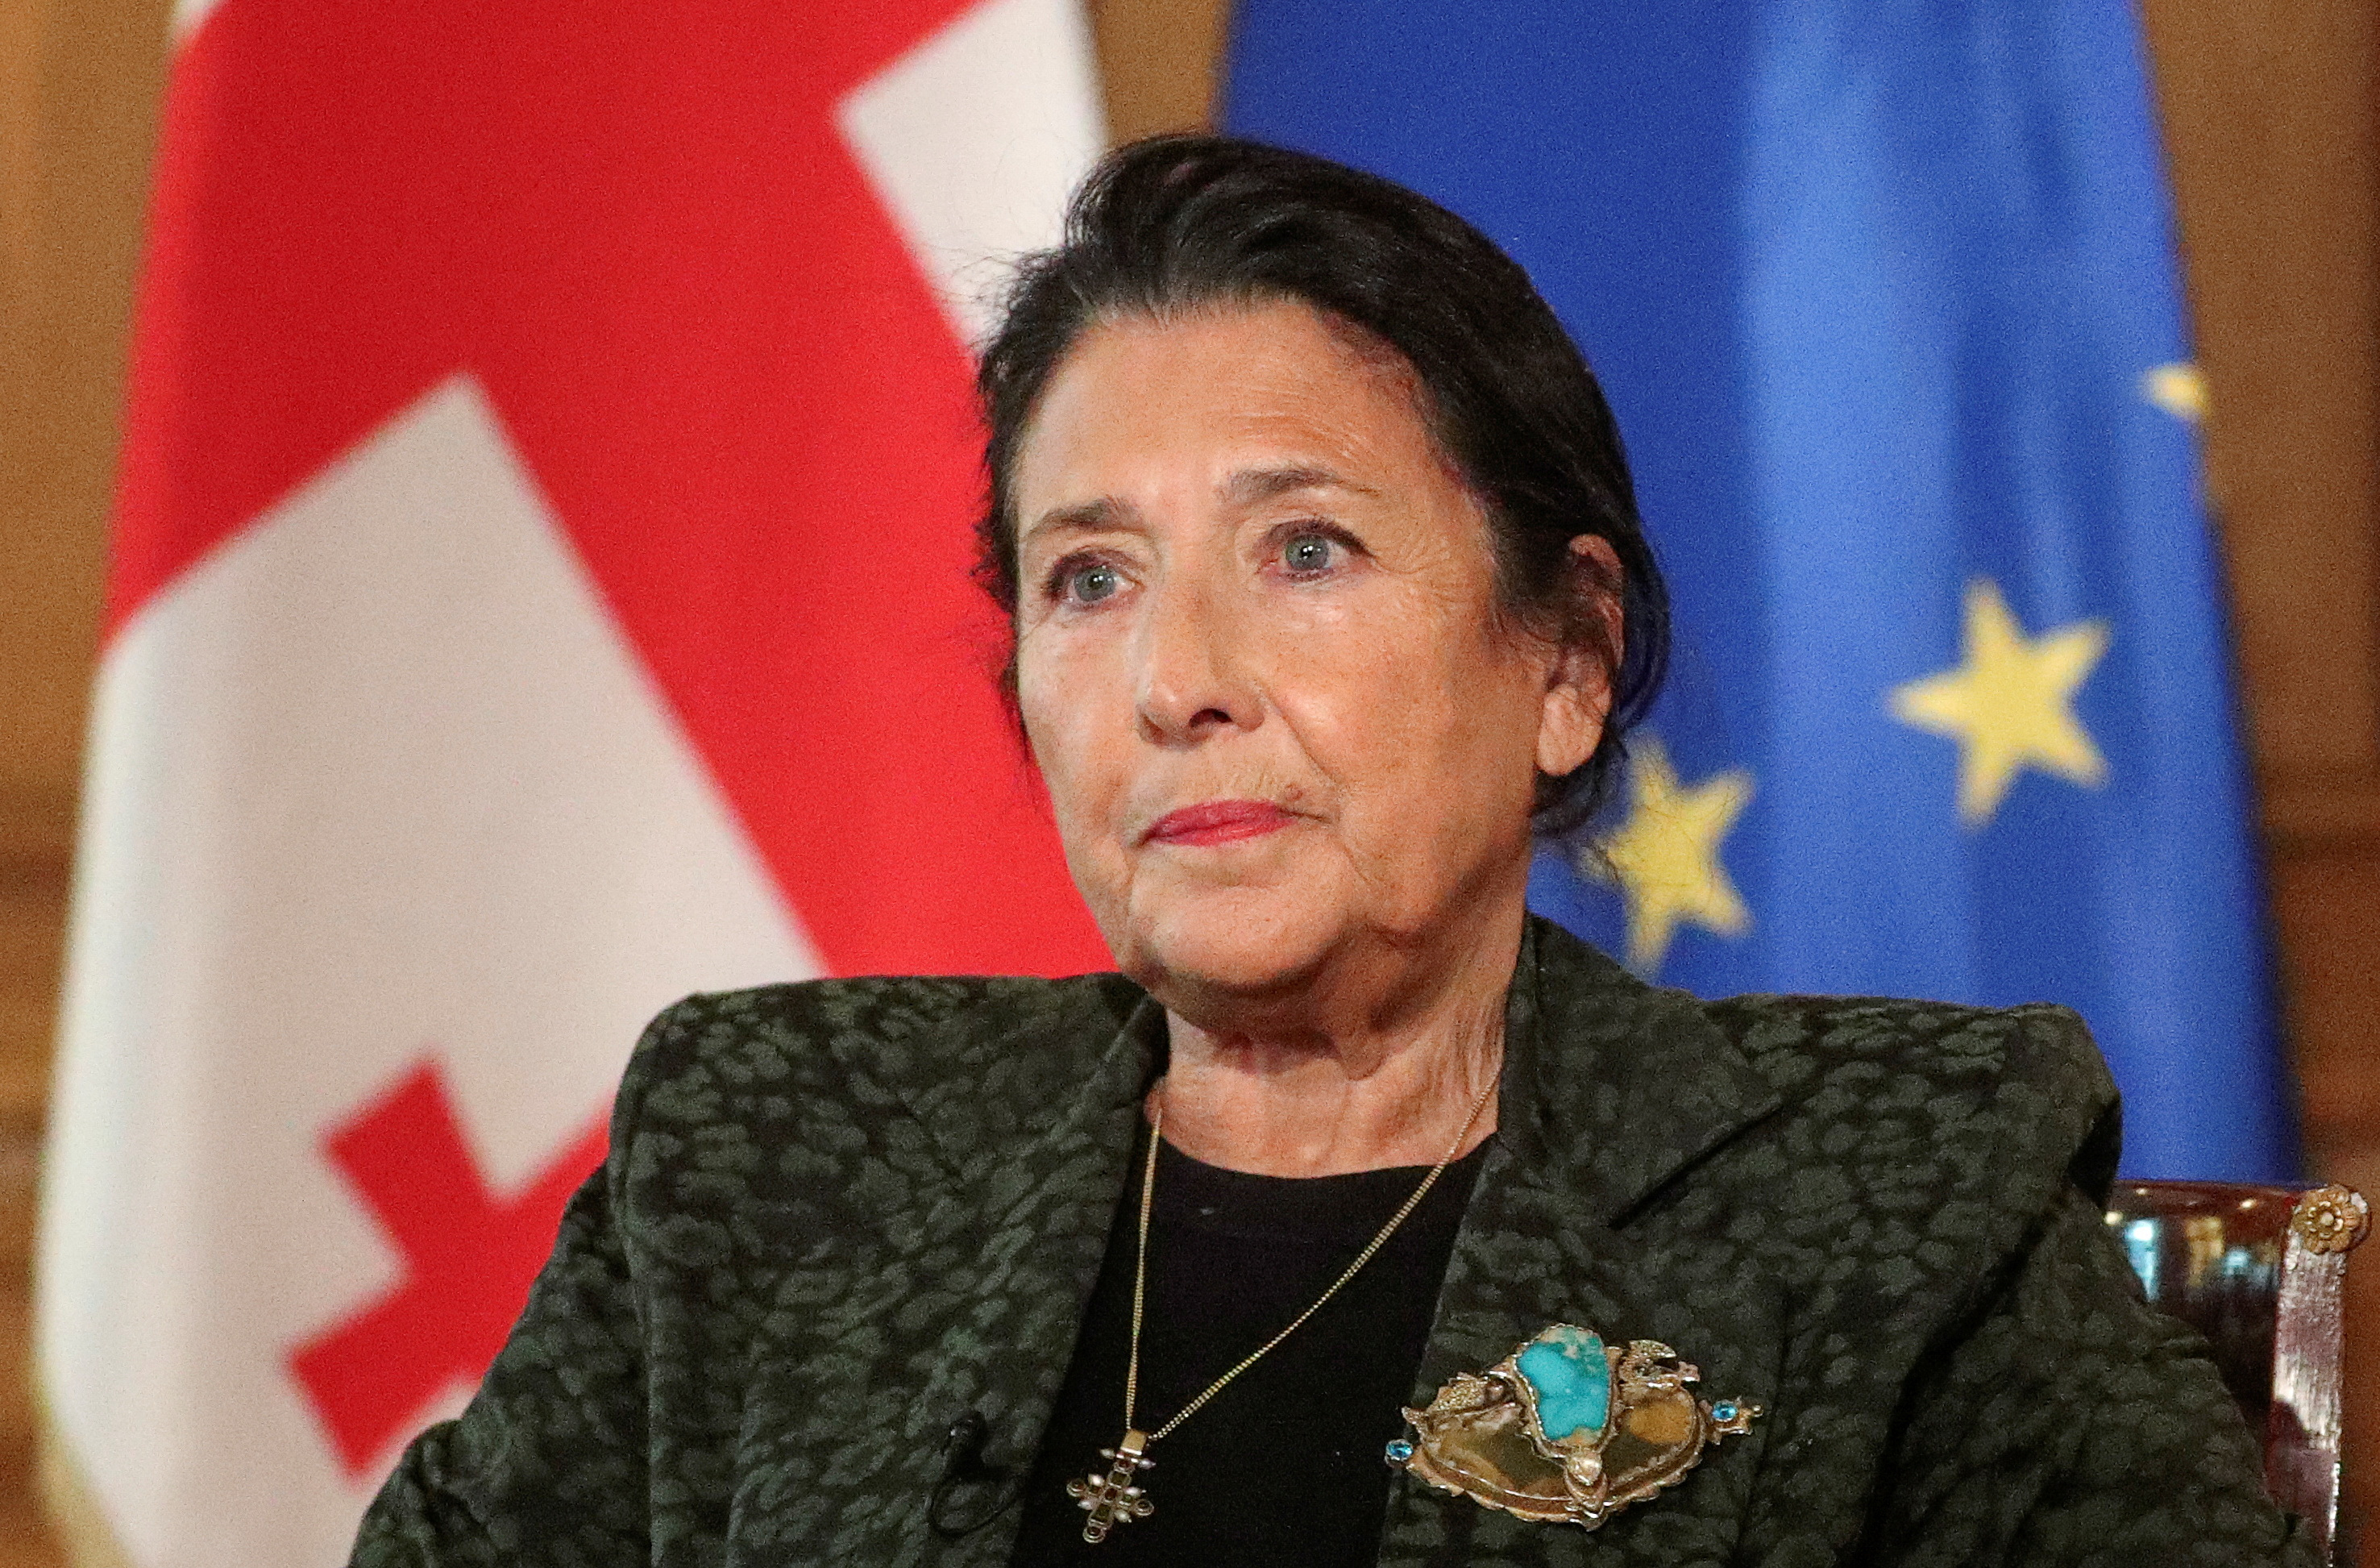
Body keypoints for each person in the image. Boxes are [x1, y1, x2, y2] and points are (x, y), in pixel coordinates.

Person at [350, 136, 2310, 1568]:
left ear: (1565, 658)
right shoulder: (764, 1149)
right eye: (1089, 579)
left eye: (1305, 549)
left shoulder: (1896, 1186)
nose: (1177, 680)